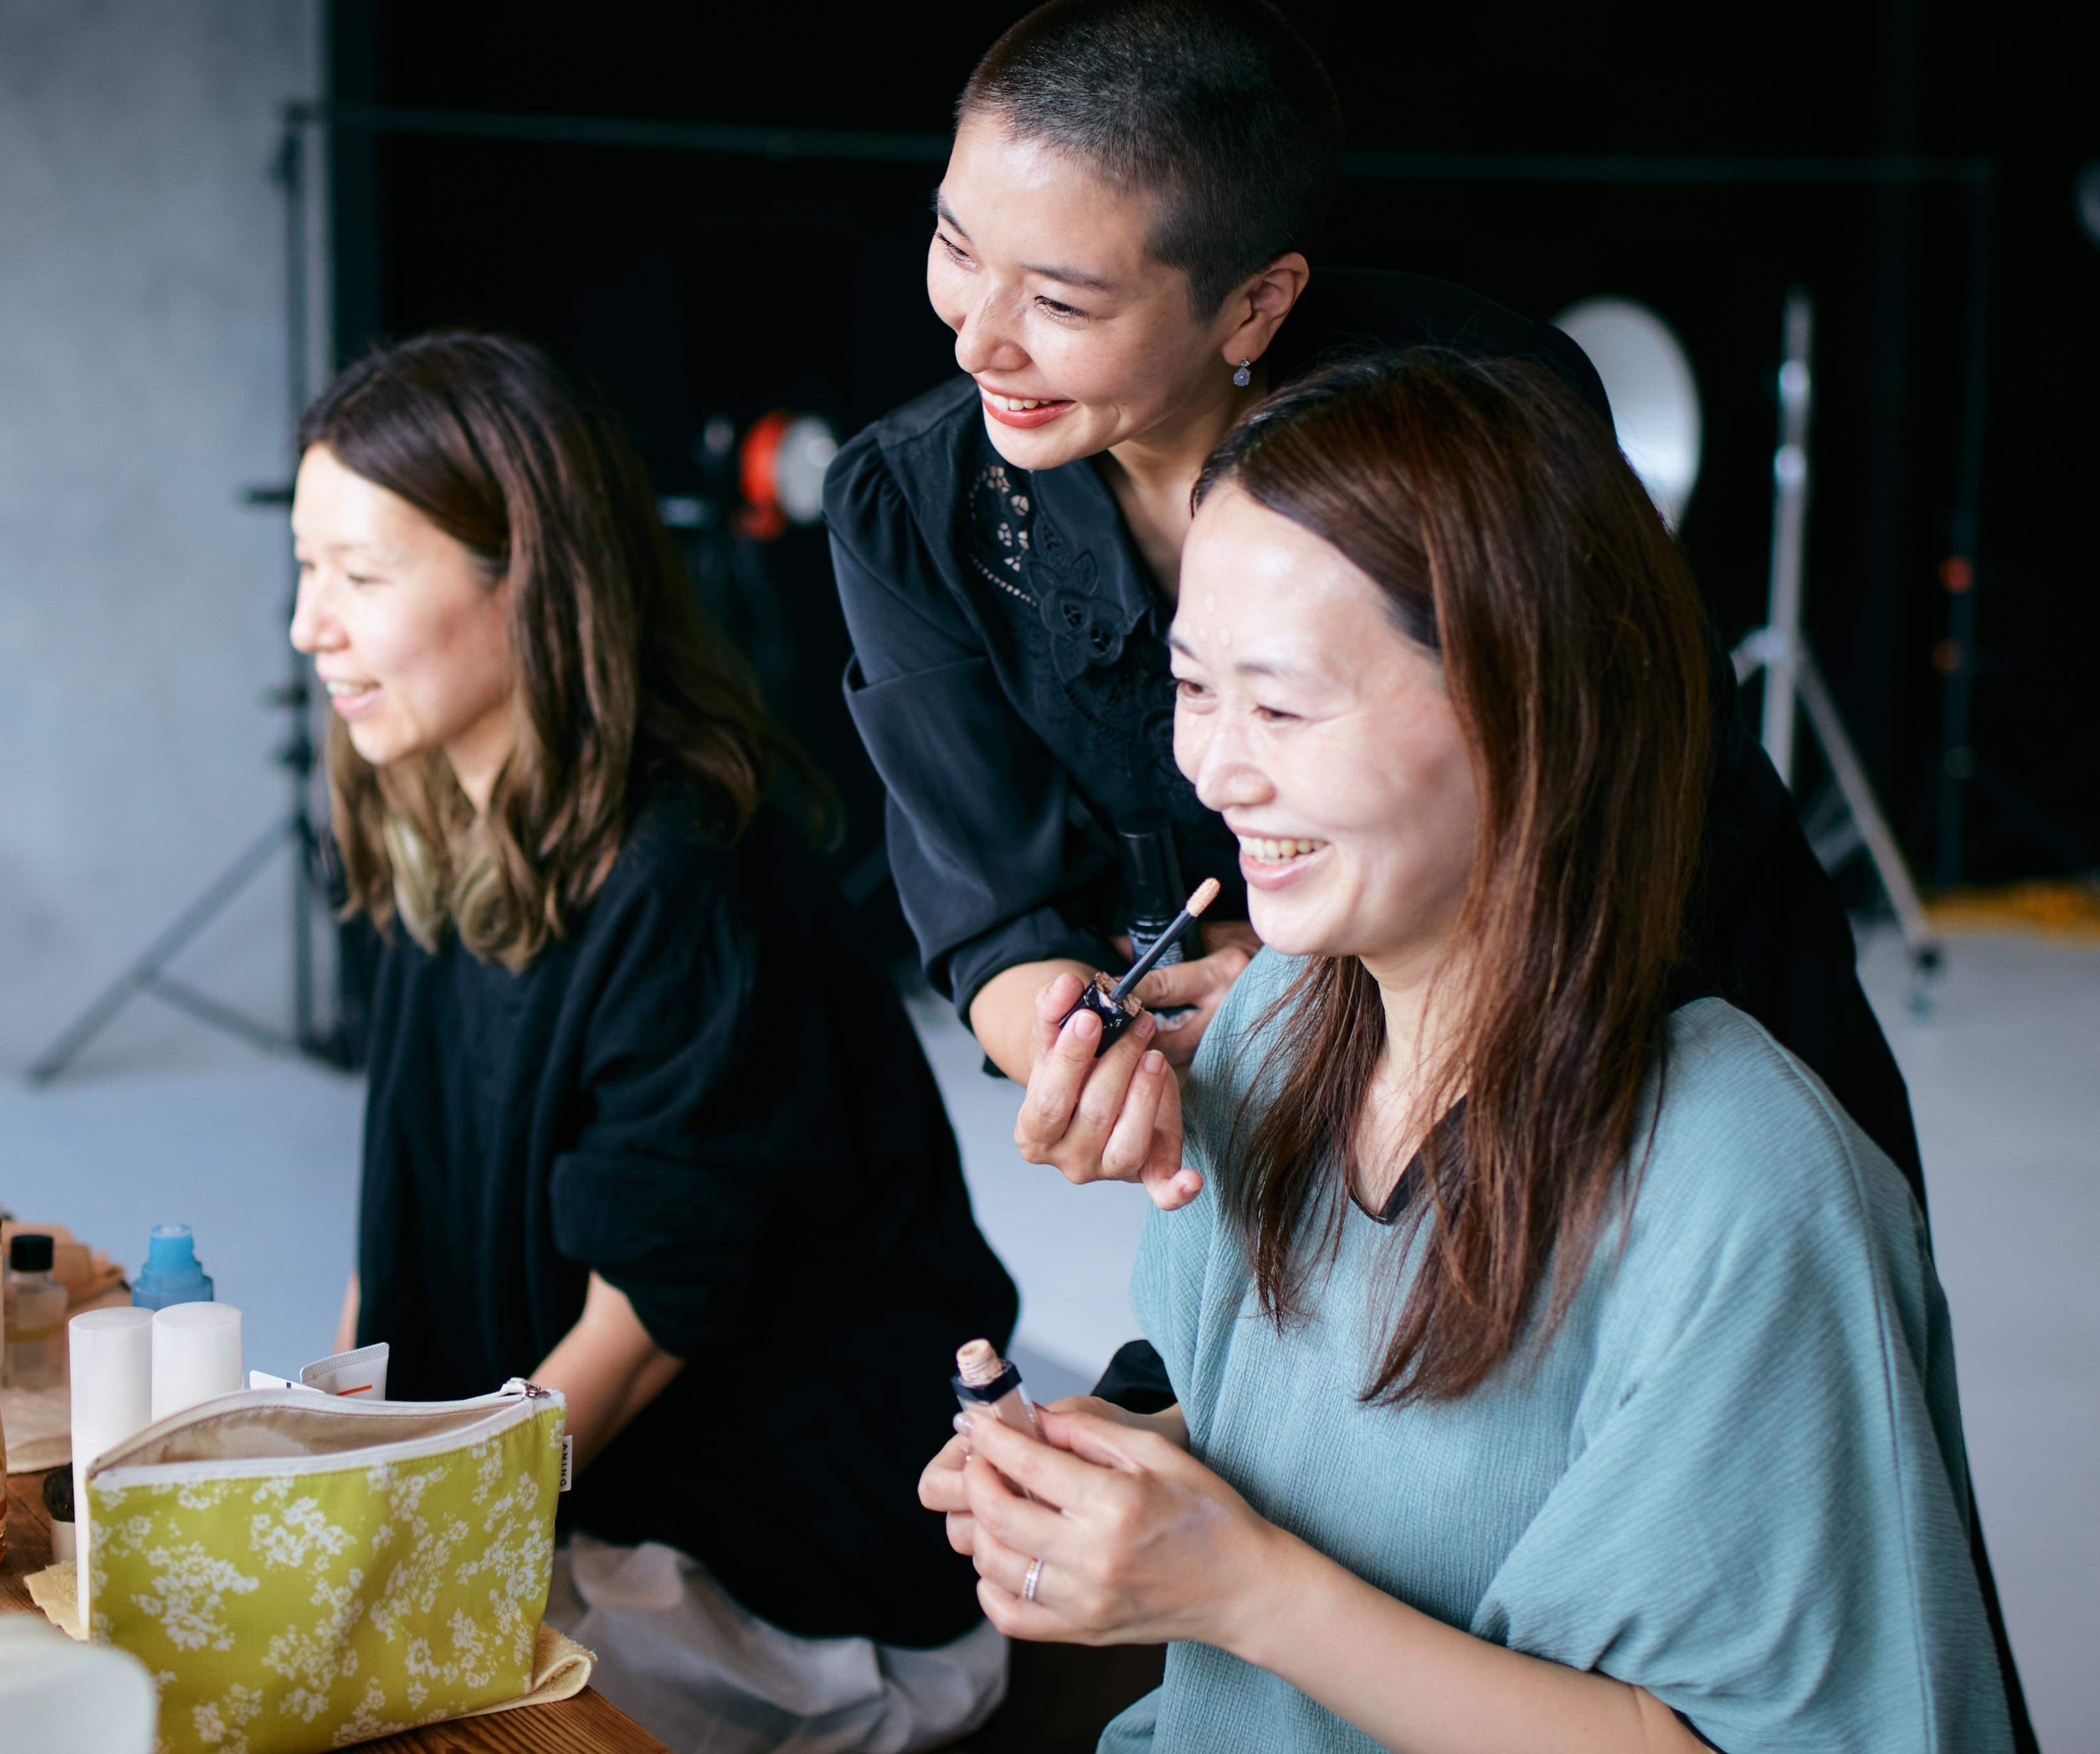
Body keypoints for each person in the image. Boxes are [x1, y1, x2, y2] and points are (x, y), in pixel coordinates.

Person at [926, 350, 2013, 1751]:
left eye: (1282, 705)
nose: (1215, 769)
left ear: (1520, 711)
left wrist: (1243, 1590)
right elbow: (1353, 1460)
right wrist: (1129, 1475)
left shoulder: (1744, 1183)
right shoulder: (1274, 1027)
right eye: (1195, 689)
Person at [826, 0, 1923, 1189]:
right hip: (1284, 1106)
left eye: (1060, 304)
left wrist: (1298, 992)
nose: (975, 343)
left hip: (1629, 1028)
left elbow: (1600, 810)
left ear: (1255, 303)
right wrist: (1078, 1053)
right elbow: (994, 907)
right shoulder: (910, 503)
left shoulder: (1481, 420)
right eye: (957, 250)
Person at [291, 332, 1018, 1753]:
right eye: (307, 570)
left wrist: (391, 1566)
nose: (313, 625)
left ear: (528, 581)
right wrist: (318, 1464)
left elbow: (636, 1341)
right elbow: (403, 1222)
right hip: (566, 1494)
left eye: (361, 578)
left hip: (783, 1574)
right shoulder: (443, 814)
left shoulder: (688, 879)